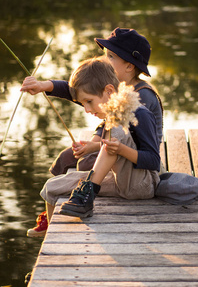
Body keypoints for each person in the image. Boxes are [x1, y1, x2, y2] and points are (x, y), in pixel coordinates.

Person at [22, 27, 163, 236]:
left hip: (137, 169)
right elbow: (81, 93)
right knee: (63, 165)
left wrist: (98, 144)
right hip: (119, 162)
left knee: (85, 161)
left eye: (111, 57)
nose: (106, 60)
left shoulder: (141, 99)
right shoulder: (113, 91)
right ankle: (53, 220)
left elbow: (137, 144)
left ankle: (86, 194)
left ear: (129, 66)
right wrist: (44, 85)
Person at [38, 56, 160, 222]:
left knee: (115, 126)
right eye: (83, 103)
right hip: (120, 183)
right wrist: (45, 85)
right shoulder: (112, 112)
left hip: (142, 185)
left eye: (89, 101)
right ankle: (50, 235)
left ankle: (87, 194)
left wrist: (121, 150)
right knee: (52, 187)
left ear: (109, 91)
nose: (87, 109)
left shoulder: (140, 113)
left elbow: (153, 161)